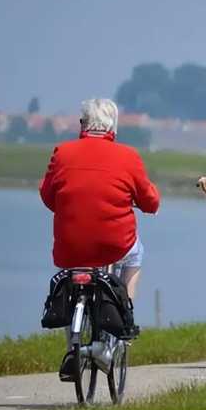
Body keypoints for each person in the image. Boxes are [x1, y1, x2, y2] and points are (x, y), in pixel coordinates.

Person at [39, 98, 159, 370]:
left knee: (72, 279)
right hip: (114, 244)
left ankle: (73, 346)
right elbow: (150, 202)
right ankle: (124, 315)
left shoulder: (62, 152)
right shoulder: (128, 156)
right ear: (113, 127)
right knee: (136, 256)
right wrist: (145, 201)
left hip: (70, 246)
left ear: (83, 124)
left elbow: (47, 196)